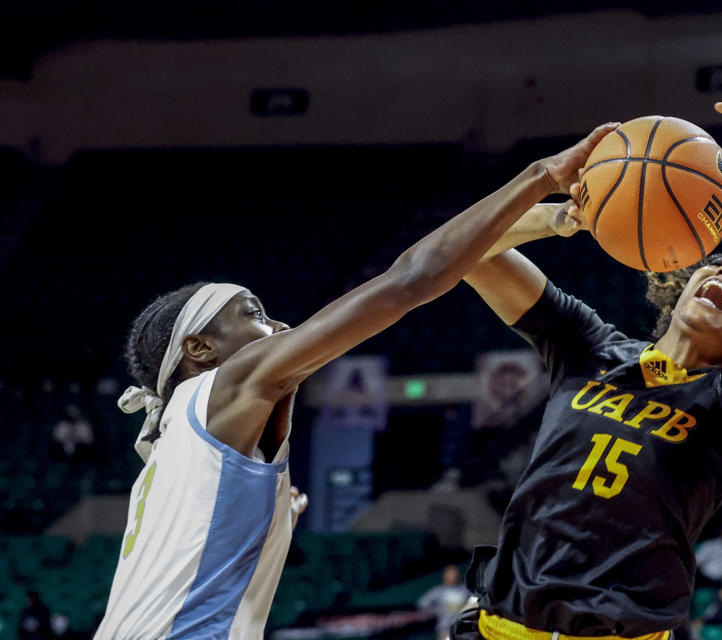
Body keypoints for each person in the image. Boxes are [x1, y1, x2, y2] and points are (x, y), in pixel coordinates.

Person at [93, 122, 619, 640]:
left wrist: (553, 220)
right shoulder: (224, 386)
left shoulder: (175, 444)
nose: (277, 327)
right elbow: (410, 280)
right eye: (254, 314)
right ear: (200, 349)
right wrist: (540, 176)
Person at [452, 71, 722, 640]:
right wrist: (560, 216)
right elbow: (470, 253)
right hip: (498, 626)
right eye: (721, 264)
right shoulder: (588, 346)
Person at [419, 565, 471, 640]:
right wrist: (438, 611)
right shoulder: (438, 591)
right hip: (445, 628)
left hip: (465, 628)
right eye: (450, 573)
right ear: (444, 575)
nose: (453, 576)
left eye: (454, 573)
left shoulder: (466, 590)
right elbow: (422, 603)